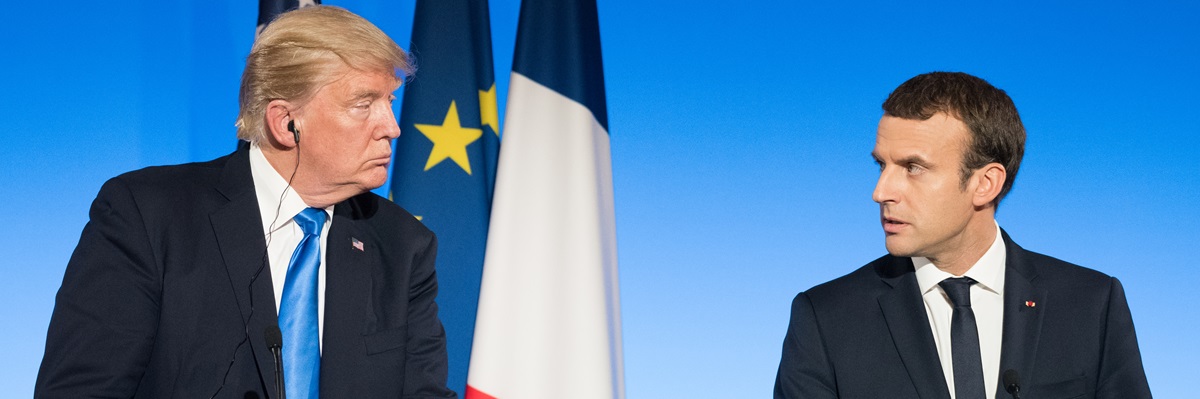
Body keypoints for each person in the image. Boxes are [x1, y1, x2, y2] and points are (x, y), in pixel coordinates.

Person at [35, 6, 456, 398]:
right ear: (285, 122)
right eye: (364, 104)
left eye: (390, 102)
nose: (393, 128)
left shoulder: (403, 245)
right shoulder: (148, 215)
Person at [774, 72, 1151, 399]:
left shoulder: (1091, 304)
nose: (881, 191)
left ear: (985, 183)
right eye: (882, 165)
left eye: (913, 167)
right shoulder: (825, 318)